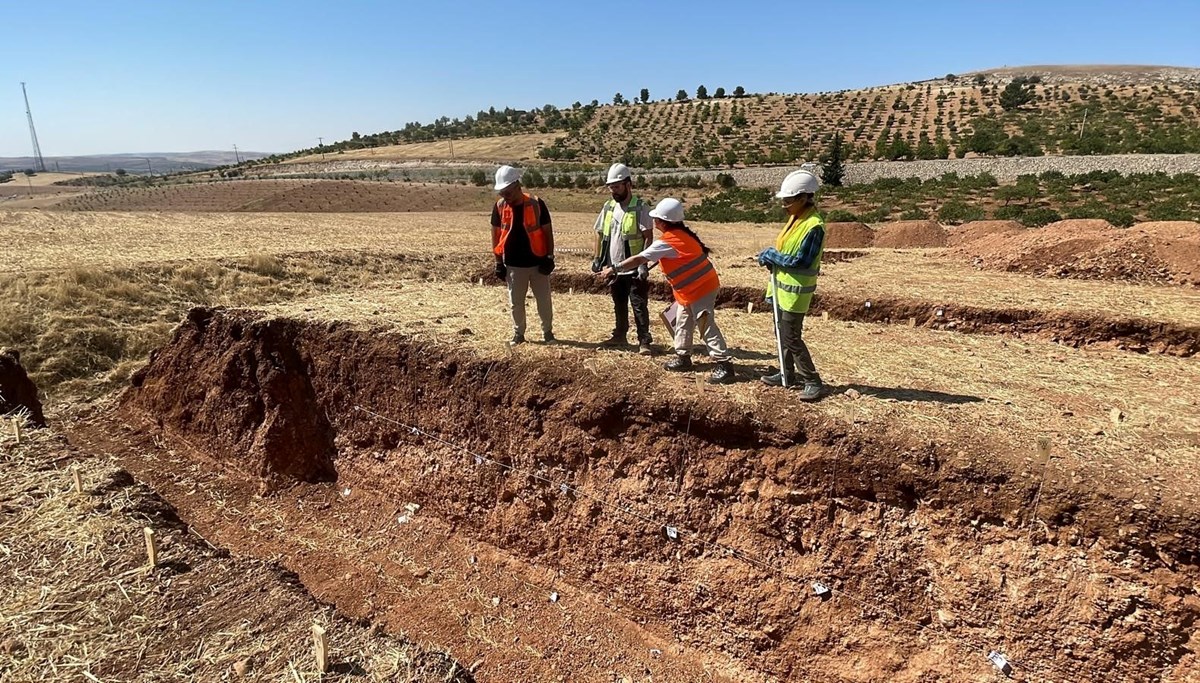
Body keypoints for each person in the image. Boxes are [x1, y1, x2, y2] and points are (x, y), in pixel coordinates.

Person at [599, 198, 734, 384]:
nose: (654, 222)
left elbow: (639, 258)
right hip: (693, 289)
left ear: (664, 222)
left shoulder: (669, 241)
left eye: (656, 219)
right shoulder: (682, 235)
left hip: (700, 289)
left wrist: (613, 268)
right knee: (683, 321)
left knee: (705, 324)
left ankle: (724, 364)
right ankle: (683, 357)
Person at [756, 169, 825, 400]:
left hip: (796, 293)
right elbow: (787, 251)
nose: (784, 204)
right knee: (782, 333)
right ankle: (787, 373)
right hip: (783, 288)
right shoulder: (796, 219)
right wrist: (773, 258)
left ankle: (812, 380)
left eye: (788, 200)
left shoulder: (813, 225)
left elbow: (801, 261)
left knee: (791, 337)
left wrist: (771, 256)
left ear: (804, 198)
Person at [591, 163, 655, 355]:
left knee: (638, 304)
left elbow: (648, 237)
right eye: (611, 187)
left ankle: (644, 340)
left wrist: (644, 263)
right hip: (614, 267)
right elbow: (599, 232)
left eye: (617, 187)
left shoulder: (640, 207)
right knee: (619, 302)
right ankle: (620, 335)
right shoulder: (609, 207)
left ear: (628, 184)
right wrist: (597, 259)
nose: (614, 191)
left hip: (634, 267)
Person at [490, 165, 555, 345]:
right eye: (502, 193)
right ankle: (519, 334)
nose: (505, 197)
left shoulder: (536, 203)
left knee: (544, 301)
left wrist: (549, 257)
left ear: (517, 186)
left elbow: (547, 232)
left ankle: (548, 333)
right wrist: (498, 262)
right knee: (515, 303)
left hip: (538, 262)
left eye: (508, 192)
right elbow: (495, 235)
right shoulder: (500, 206)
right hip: (513, 265)